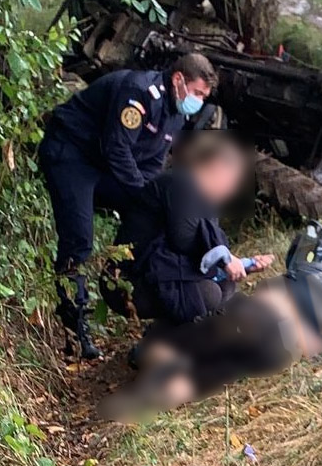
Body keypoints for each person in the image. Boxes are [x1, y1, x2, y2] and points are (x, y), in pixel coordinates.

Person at [98, 219, 322, 422]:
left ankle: (146, 365)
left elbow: (302, 246)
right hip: (282, 353)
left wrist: (317, 235)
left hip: (262, 317)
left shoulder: (320, 262)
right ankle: (139, 406)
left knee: (200, 336)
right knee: (211, 372)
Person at [40, 53, 218, 358]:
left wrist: (150, 201)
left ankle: (149, 296)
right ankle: (75, 328)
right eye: (198, 93)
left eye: (204, 96)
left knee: (159, 215)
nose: (199, 101)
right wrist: (143, 194)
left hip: (104, 167)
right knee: (79, 241)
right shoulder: (138, 92)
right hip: (72, 156)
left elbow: (151, 163)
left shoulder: (176, 113)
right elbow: (117, 149)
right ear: (179, 80)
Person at [115, 132, 274, 326]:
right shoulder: (180, 183)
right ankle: (164, 345)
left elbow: (207, 254)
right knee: (207, 293)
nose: (232, 190)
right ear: (217, 167)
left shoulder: (206, 201)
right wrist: (226, 259)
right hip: (126, 279)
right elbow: (184, 239)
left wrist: (242, 265)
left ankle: (170, 339)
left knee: (225, 285)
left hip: (159, 275)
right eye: (233, 181)